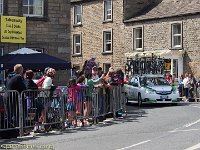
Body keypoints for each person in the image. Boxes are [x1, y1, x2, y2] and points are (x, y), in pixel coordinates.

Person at [3, 64, 26, 138]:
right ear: (20, 70)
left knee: (9, 114)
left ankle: (9, 131)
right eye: (22, 69)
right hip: (13, 97)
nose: (23, 71)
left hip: (6, 96)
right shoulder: (18, 77)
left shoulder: (9, 76)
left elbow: (5, 83)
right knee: (16, 114)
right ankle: (17, 131)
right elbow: (23, 88)